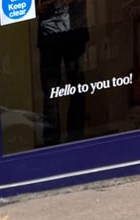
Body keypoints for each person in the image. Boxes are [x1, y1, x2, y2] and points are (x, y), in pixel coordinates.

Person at [37, 0, 90, 145]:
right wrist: (36, 8)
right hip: (51, 35)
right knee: (52, 92)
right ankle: (54, 144)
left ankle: (74, 140)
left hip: (73, 32)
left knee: (75, 88)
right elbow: (17, 6)